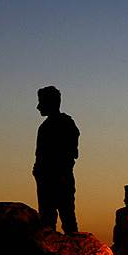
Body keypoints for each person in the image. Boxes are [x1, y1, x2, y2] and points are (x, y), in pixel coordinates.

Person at [33, 85, 80, 235]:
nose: (38, 107)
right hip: (48, 178)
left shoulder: (63, 124)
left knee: (66, 219)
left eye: (41, 102)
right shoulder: (47, 126)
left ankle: (75, 252)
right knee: (48, 220)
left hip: (58, 178)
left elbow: (69, 153)